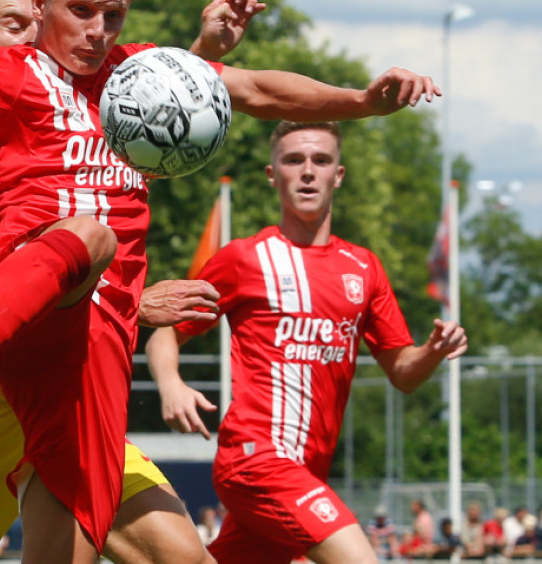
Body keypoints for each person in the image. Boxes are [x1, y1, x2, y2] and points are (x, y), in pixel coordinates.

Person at [0, 0, 439, 562]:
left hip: (97, 347)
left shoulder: (127, 78)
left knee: (159, 552)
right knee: (89, 235)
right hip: (15, 344)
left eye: (113, 14)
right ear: (36, 11)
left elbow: (244, 90)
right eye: (78, 12)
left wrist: (363, 101)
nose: (98, 30)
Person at [0, 0, 264, 564]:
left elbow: (141, 134)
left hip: (82, 375)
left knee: (184, 557)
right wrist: (137, 303)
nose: (38, 38)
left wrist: (204, 53)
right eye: (15, 27)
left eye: (38, 21)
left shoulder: (69, 94)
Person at [146, 119, 464, 564]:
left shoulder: (365, 268)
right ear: (273, 174)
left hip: (308, 471)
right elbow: (165, 328)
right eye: (294, 160)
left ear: (339, 174)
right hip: (258, 460)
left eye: (321, 160)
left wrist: (433, 350)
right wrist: (170, 384)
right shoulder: (245, 258)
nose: (308, 171)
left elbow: (403, 373)